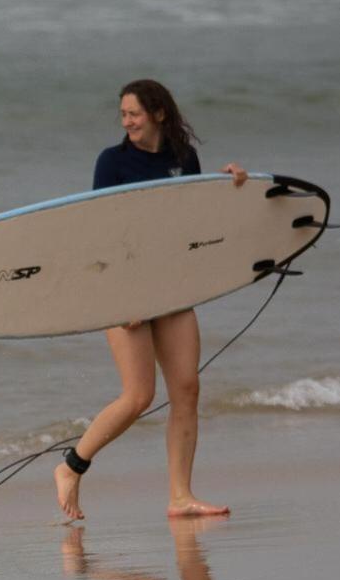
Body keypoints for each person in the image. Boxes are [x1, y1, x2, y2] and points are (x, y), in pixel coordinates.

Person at [54, 79, 247, 521]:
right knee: (139, 395)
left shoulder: (183, 159)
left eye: (134, 114)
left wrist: (230, 186)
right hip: (126, 289)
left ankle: (180, 496)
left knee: (186, 389)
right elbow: (101, 233)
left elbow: (195, 222)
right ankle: (70, 466)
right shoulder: (113, 162)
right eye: (122, 115)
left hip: (172, 286)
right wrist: (123, 298)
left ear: (159, 113)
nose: (127, 122)